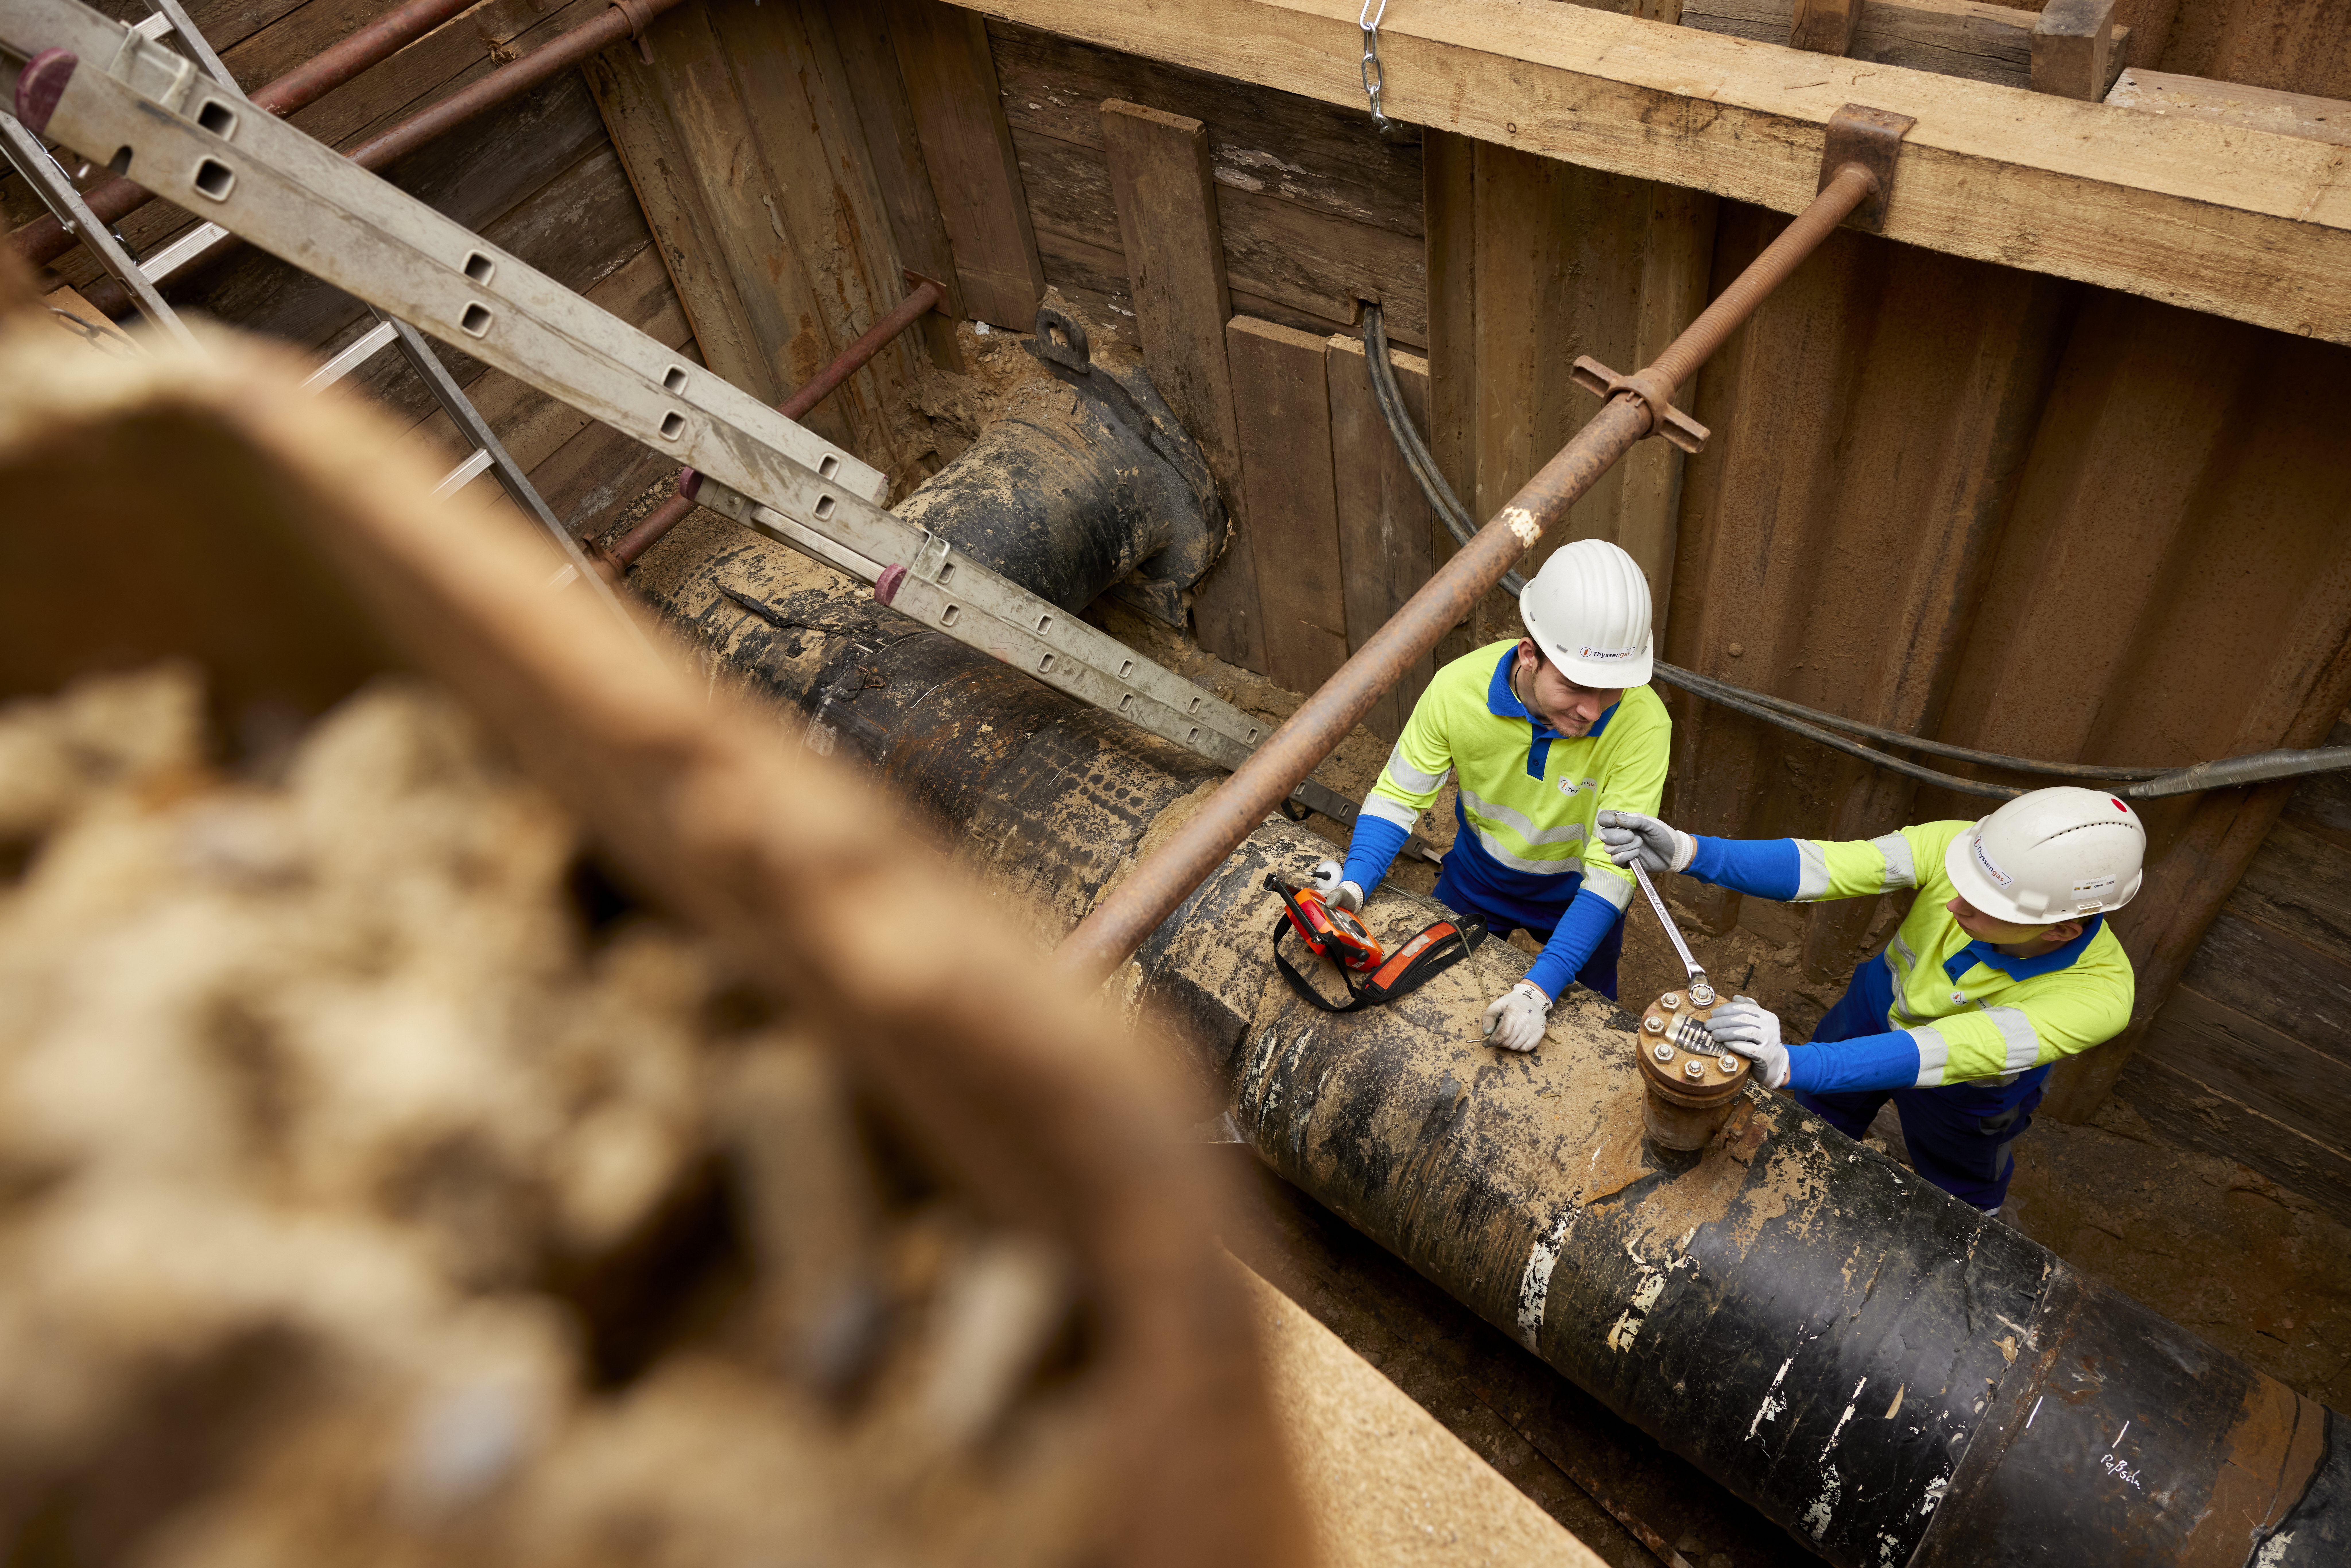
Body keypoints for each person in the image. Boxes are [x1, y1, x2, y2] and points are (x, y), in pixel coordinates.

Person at [1597, 788, 2144, 1214]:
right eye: (1962, 883)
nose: (1953, 903)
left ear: (2061, 931)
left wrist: (1793, 1062)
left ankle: (1969, 1244)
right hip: (1868, 1013)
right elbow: (1830, 867)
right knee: (1820, 1115)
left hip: (1967, 1091)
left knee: (1961, 1180)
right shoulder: (1967, 848)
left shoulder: (2097, 998)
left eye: (1980, 904)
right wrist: (1693, 852)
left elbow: (1942, 1051)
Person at [1310, 538, 1670, 1053]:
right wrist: (1355, 884)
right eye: (1575, 686)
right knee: (1426, 1010)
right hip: (1476, 879)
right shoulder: (1457, 690)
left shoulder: (1644, 725)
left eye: (1610, 689)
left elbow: (1613, 871)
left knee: (1591, 1043)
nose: (1593, 710)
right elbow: (1398, 797)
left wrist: (1539, 989)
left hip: (1579, 899)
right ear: (1530, 655)